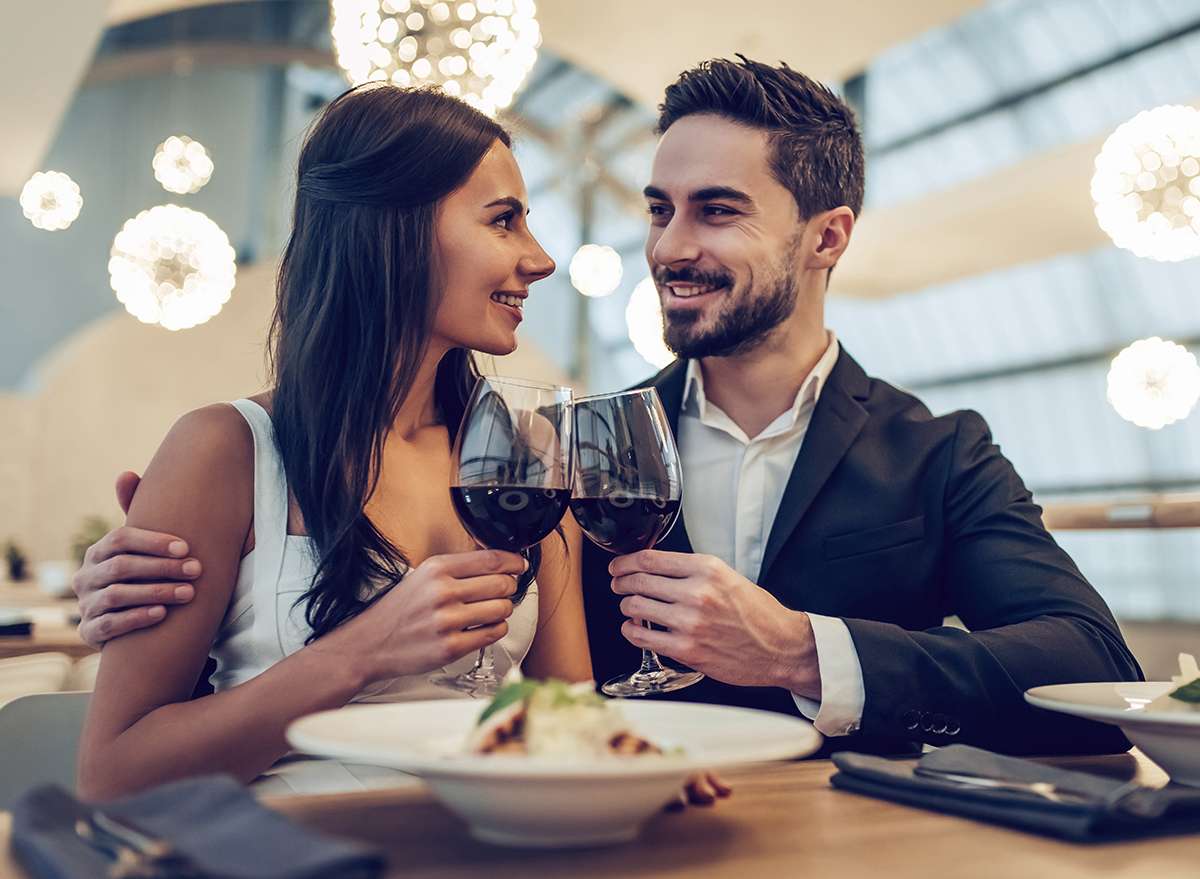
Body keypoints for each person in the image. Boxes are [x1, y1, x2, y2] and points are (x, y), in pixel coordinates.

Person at [75, 59, 1142, 759]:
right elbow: (548, 700)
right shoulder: (563, 452)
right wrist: (173, 565)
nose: (671, 247)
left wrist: (801, 650)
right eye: (660, 208)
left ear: (829, 237)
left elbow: (1094, 669)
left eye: (716, 212)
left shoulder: (939, 452)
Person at [73, 83, 594, 801]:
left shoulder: (526, 456)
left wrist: (635, 761)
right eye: (503, 221)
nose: (539, 259)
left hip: (494, 844)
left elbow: (572, 717)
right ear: (392, 227)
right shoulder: (222, 449)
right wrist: (364, 649)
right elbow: (115, 776)